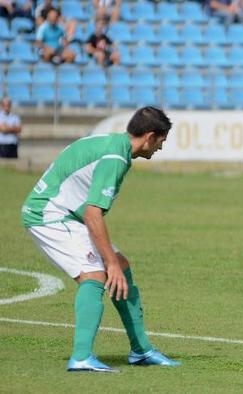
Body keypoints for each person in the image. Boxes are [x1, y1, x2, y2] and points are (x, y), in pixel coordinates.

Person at [21, 107, 180, 372]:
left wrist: (115, 263)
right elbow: (92, 213)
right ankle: (81, 357)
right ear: (150, 136)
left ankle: (141, 350)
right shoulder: (115, 157)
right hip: (49, 215)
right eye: (162, 141)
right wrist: (110, 263)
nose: (160, 148)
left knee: (121, 265)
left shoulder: (115, 145)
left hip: (67, 214)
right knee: (94, 275)